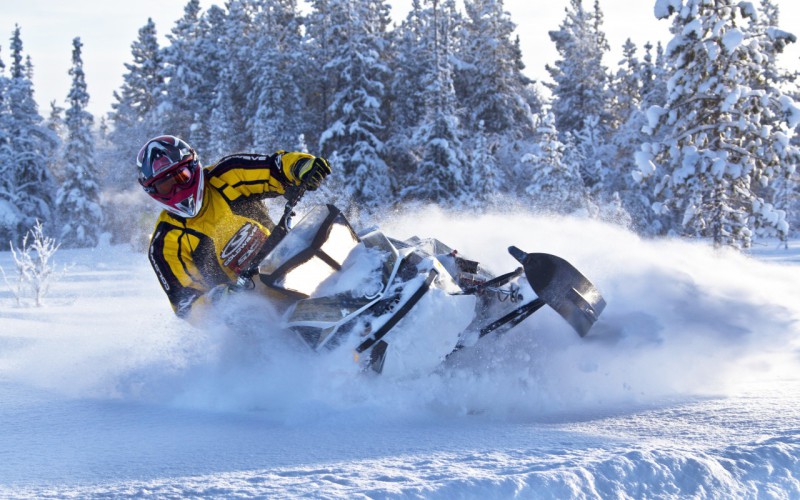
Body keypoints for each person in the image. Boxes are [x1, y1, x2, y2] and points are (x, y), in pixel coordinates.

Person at [137, 135, 331, 324]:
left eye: (181, 177)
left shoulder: (229, 174)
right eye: (166, 186)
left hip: (296, 266)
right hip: (258, 315)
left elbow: (274, 168)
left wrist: (299, 166)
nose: (177, 189)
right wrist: (216, 299)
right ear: (154, 192)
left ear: (193, 167)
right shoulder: (164, 245)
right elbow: (186, 302)